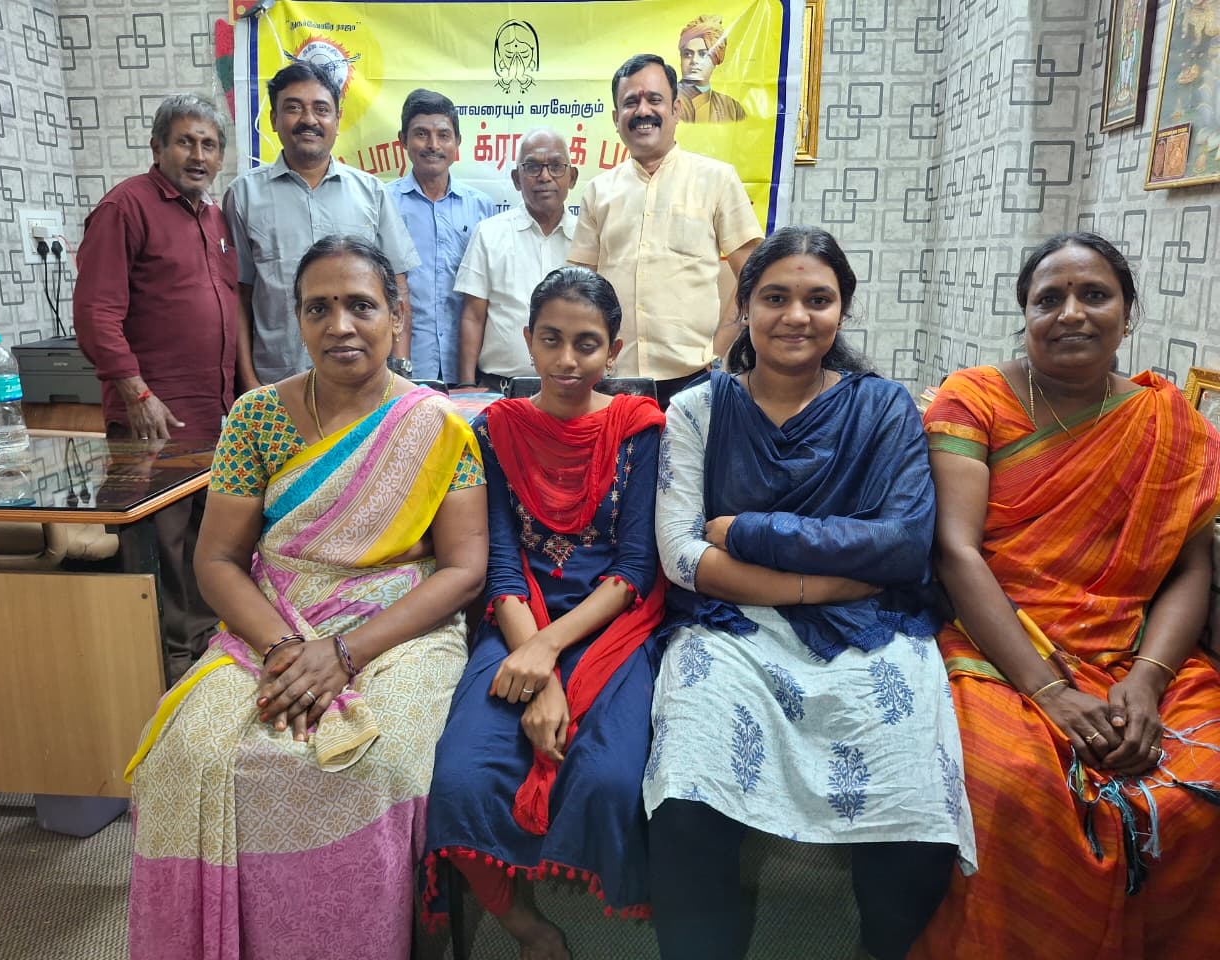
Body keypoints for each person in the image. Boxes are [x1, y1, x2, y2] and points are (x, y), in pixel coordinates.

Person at [125, 236, 488, 960]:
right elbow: (218, 559)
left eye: (361, 306)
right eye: (318, 308)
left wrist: (345, 653)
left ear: (396, 315)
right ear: (297, 320)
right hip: (273, 621)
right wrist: (287, 649)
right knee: (189, 753)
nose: (340, 325)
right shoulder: (256, 417)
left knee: (379, 760)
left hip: (399, 628)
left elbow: (463, 570)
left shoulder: (439, 426)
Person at [646, 226, 976, 960]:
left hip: (870, 627)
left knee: (914, 802)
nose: (796, 316)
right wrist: (815, 582)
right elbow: (682, 556)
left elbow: (903, 544)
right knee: (687, 794)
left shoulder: (884, 408)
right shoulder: (697, 410)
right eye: (775, 298)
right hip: (731, 626)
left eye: (818, 299)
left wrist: (750, 531)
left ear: (842, 311)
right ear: (744, 308)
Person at [913, 232, 1220, 959]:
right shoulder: (976, 399)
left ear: (1127, 313)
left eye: (1095, 295)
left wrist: (1147, 680)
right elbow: (956, 551)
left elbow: (1189, 568)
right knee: (1011, 784)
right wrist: (1049, 691)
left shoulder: (1169, 422)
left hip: (1132, 650)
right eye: (1049, 299)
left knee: (1201, 774)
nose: (1072, 313)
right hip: (994, 640)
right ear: (1025, 314)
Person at [423, 267, 666, 959]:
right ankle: (527, 926)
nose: (567, 360)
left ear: (613, 350)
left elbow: (634, 568)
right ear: (527, 340)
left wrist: (546, 654)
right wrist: (538, 667)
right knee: (459, 780)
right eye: (551, 340)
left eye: (586, 344)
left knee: (609, 779)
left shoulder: (639, 430)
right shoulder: (495, 430)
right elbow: (502, 564)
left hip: (613, 624)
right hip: (515, 619)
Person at [73, 93, 236, 683]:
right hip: (153, 416)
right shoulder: (125, 207)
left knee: (203, 541)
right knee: (158, 547)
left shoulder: (213, 218)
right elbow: (95, 312)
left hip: (212, 417)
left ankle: (201, 655)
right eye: (185, 142)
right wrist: (136, 393)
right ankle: (157, 669)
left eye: (209, 145)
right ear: (157, 147)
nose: (198, 155)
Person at [569, 54, 762, 407]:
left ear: (675, 109)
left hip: (696, 378)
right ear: (616, 119)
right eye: (631, 102)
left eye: (654, 99)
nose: (643, 111)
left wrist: (718, 351)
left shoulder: (717, 179)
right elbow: (580, 288)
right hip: (614, 381)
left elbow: (754, 277)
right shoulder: (599, 191)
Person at [225, 60, 419, 389]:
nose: (309, 120)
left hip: (364, 385)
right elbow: (239, 298)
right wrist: (250, 383)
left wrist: (398, 374)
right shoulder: (244, 195)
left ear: (337, 120)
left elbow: (397, 287)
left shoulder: (371, 193)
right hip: (278, 384)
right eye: (293, 108)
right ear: (273, 119)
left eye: (321, 109)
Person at [454, 129, 579, 392]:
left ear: (572, 177)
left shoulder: (588, 237)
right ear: (516, 179)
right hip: (500, 391)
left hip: (572, 392)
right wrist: (466, 384)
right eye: (532, 167)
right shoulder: (489, 233)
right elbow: (473, 316)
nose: (545, 176)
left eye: (556, 166)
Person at [387, 89, 495, 383]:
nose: (433, 145)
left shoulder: (481, 207)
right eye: (421, 134)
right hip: (402, 365)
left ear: (457, 142)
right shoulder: (383, 204)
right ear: (403, 140)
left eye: (443, 135)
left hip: (467, 365)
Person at [675, 15, 747, 123]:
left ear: (716, 59)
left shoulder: (732, 108)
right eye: (687, 54)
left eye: (703, 54)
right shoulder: (666, 102)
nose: (694, 60)